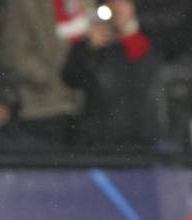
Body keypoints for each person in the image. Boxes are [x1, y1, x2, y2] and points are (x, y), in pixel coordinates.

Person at [60, 0, 160, 149]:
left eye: (123, 4)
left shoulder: (147, 38)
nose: (118, 9)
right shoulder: (94, 42)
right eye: (113, 3)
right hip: (99, 138)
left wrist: (129, 34)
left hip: (139, 138)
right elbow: (70, 77)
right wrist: (89, 48)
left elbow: (147, 76)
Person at [0, 0, 85, 145]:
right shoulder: (25, 4)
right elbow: (15, 52)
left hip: (84, 109)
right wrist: (52, 78)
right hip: (43, 106)